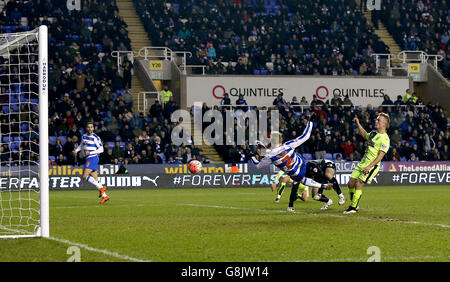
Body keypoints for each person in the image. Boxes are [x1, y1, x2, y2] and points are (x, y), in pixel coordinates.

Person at [251, 119, 333, 213]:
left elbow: (258, 165)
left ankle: (321, 186)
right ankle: (323, 185)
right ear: (281, 140)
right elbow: (306, 136)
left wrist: (253, 157)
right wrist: (310, 123)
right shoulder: (288, 145)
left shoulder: (270, 156)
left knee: (301, 180)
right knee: (307, 176)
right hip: (302, 164)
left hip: (295, 173)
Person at [344, 113, 390, 214]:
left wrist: (369, 166)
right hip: (362, 163)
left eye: (379, 120)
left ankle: (353, 207)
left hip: (371, 166)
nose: (376, 121)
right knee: (350, 184)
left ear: (384, 125)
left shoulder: (385, 139)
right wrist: (358, 124)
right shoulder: (374, 133)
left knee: (359, 184)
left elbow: (380, 156)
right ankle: (354, 203)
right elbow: (365, 135)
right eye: (376, 120)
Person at [73, 122, 110, 204]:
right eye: (88, 127)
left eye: (91, 127)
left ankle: (102, 188)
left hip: (92, 158)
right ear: (86, 128)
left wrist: (91, 152)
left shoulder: (96, 137)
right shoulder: (84, 136)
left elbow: (101, 149)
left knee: (85, 176)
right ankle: (105, 196)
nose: (90, 128)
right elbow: (81, 145)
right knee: (95, 179)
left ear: (93, 128)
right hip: (88, 158)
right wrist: (76, 150)